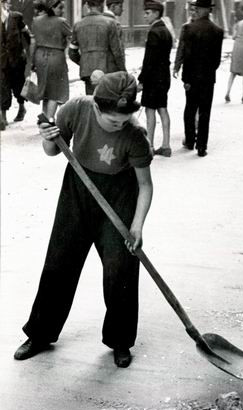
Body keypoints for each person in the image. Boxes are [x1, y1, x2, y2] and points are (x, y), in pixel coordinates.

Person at [13, 71, 154, 369]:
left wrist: (137, 225)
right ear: (96, 107)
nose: (120, 125)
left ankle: (120, 341)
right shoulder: (76, 109)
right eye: (113, 120)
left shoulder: (135, 135)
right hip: (78, 188)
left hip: (120, 196)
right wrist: (48, 138)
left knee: (120, 270)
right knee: (59, 263)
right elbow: (53, 151)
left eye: (125, 120)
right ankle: (39, 334)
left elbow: (145, 185)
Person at [176, 0, 223, 157]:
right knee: (205, 111)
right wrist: (208, 71)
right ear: (209, 10)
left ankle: (190, 141)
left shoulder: (189, 28)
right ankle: (202, 146)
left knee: (190, 108)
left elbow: (187, 56)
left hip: (192, 78)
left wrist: (186, 79)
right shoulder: (218, 31)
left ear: (201, 9)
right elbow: (217, 60)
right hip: (208, 78)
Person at [138, 1, 173, 157]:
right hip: (164, 76)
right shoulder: (166, 30)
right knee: (163, 109)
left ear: (156, 13)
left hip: (152, 78)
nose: (145, 15)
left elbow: (149, 60)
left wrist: (141, 80)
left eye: (148, 13)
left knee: (150, 110)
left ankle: (149, 145)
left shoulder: (153, 32)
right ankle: (166, 145)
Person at [69, 0, 125, 95]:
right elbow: (117, 52)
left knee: (92, 102)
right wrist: (123, 70)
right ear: (102, 5)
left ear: (88, 6)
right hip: (108, 70)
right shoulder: (110, 23)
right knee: (107, 103)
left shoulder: (78, 25)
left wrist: (83, 62)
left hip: (87, 71)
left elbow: (72, 52)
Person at [30, 0, 71, 119]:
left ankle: (44, 117)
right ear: (52, 8)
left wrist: (32, 61)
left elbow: (33, 43)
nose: (62, 11)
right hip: (56, 57)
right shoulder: (61, 22)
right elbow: (72, 36)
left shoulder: (36, 21)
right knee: (56, 91)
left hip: (40, 56)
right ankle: (49, 120)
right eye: (60, 8)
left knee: (45, 89)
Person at [0, 0, 31, 130]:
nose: (6, 3)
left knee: (18, 84)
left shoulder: (16, 16)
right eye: (3, 1)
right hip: (1, 59)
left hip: (17, 58)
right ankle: (3, 116)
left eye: (7, 1)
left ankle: (22, 107)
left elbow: (26, 34)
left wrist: (26, 50)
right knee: (3, 85)